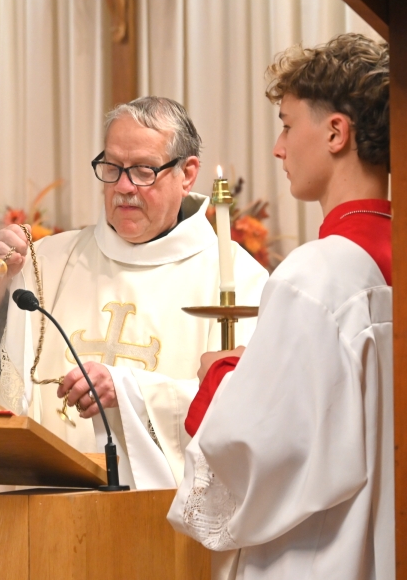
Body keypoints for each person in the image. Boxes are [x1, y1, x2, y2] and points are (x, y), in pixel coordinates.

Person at [0, 97, 269, 489]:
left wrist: (129, 391)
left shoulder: (236, 280)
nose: (124, 187)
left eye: (144, 171)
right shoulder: (47, 261)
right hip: (46, 510)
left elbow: (251, 409)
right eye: (112, 168)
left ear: (188, 173)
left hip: (163, 522)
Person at [168, 33, 392, 579]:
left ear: (336, 131)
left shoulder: (318, 274)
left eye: (289, 124)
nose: (279, 147)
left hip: (320, 553)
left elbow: (259, 454)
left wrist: (219, 374)